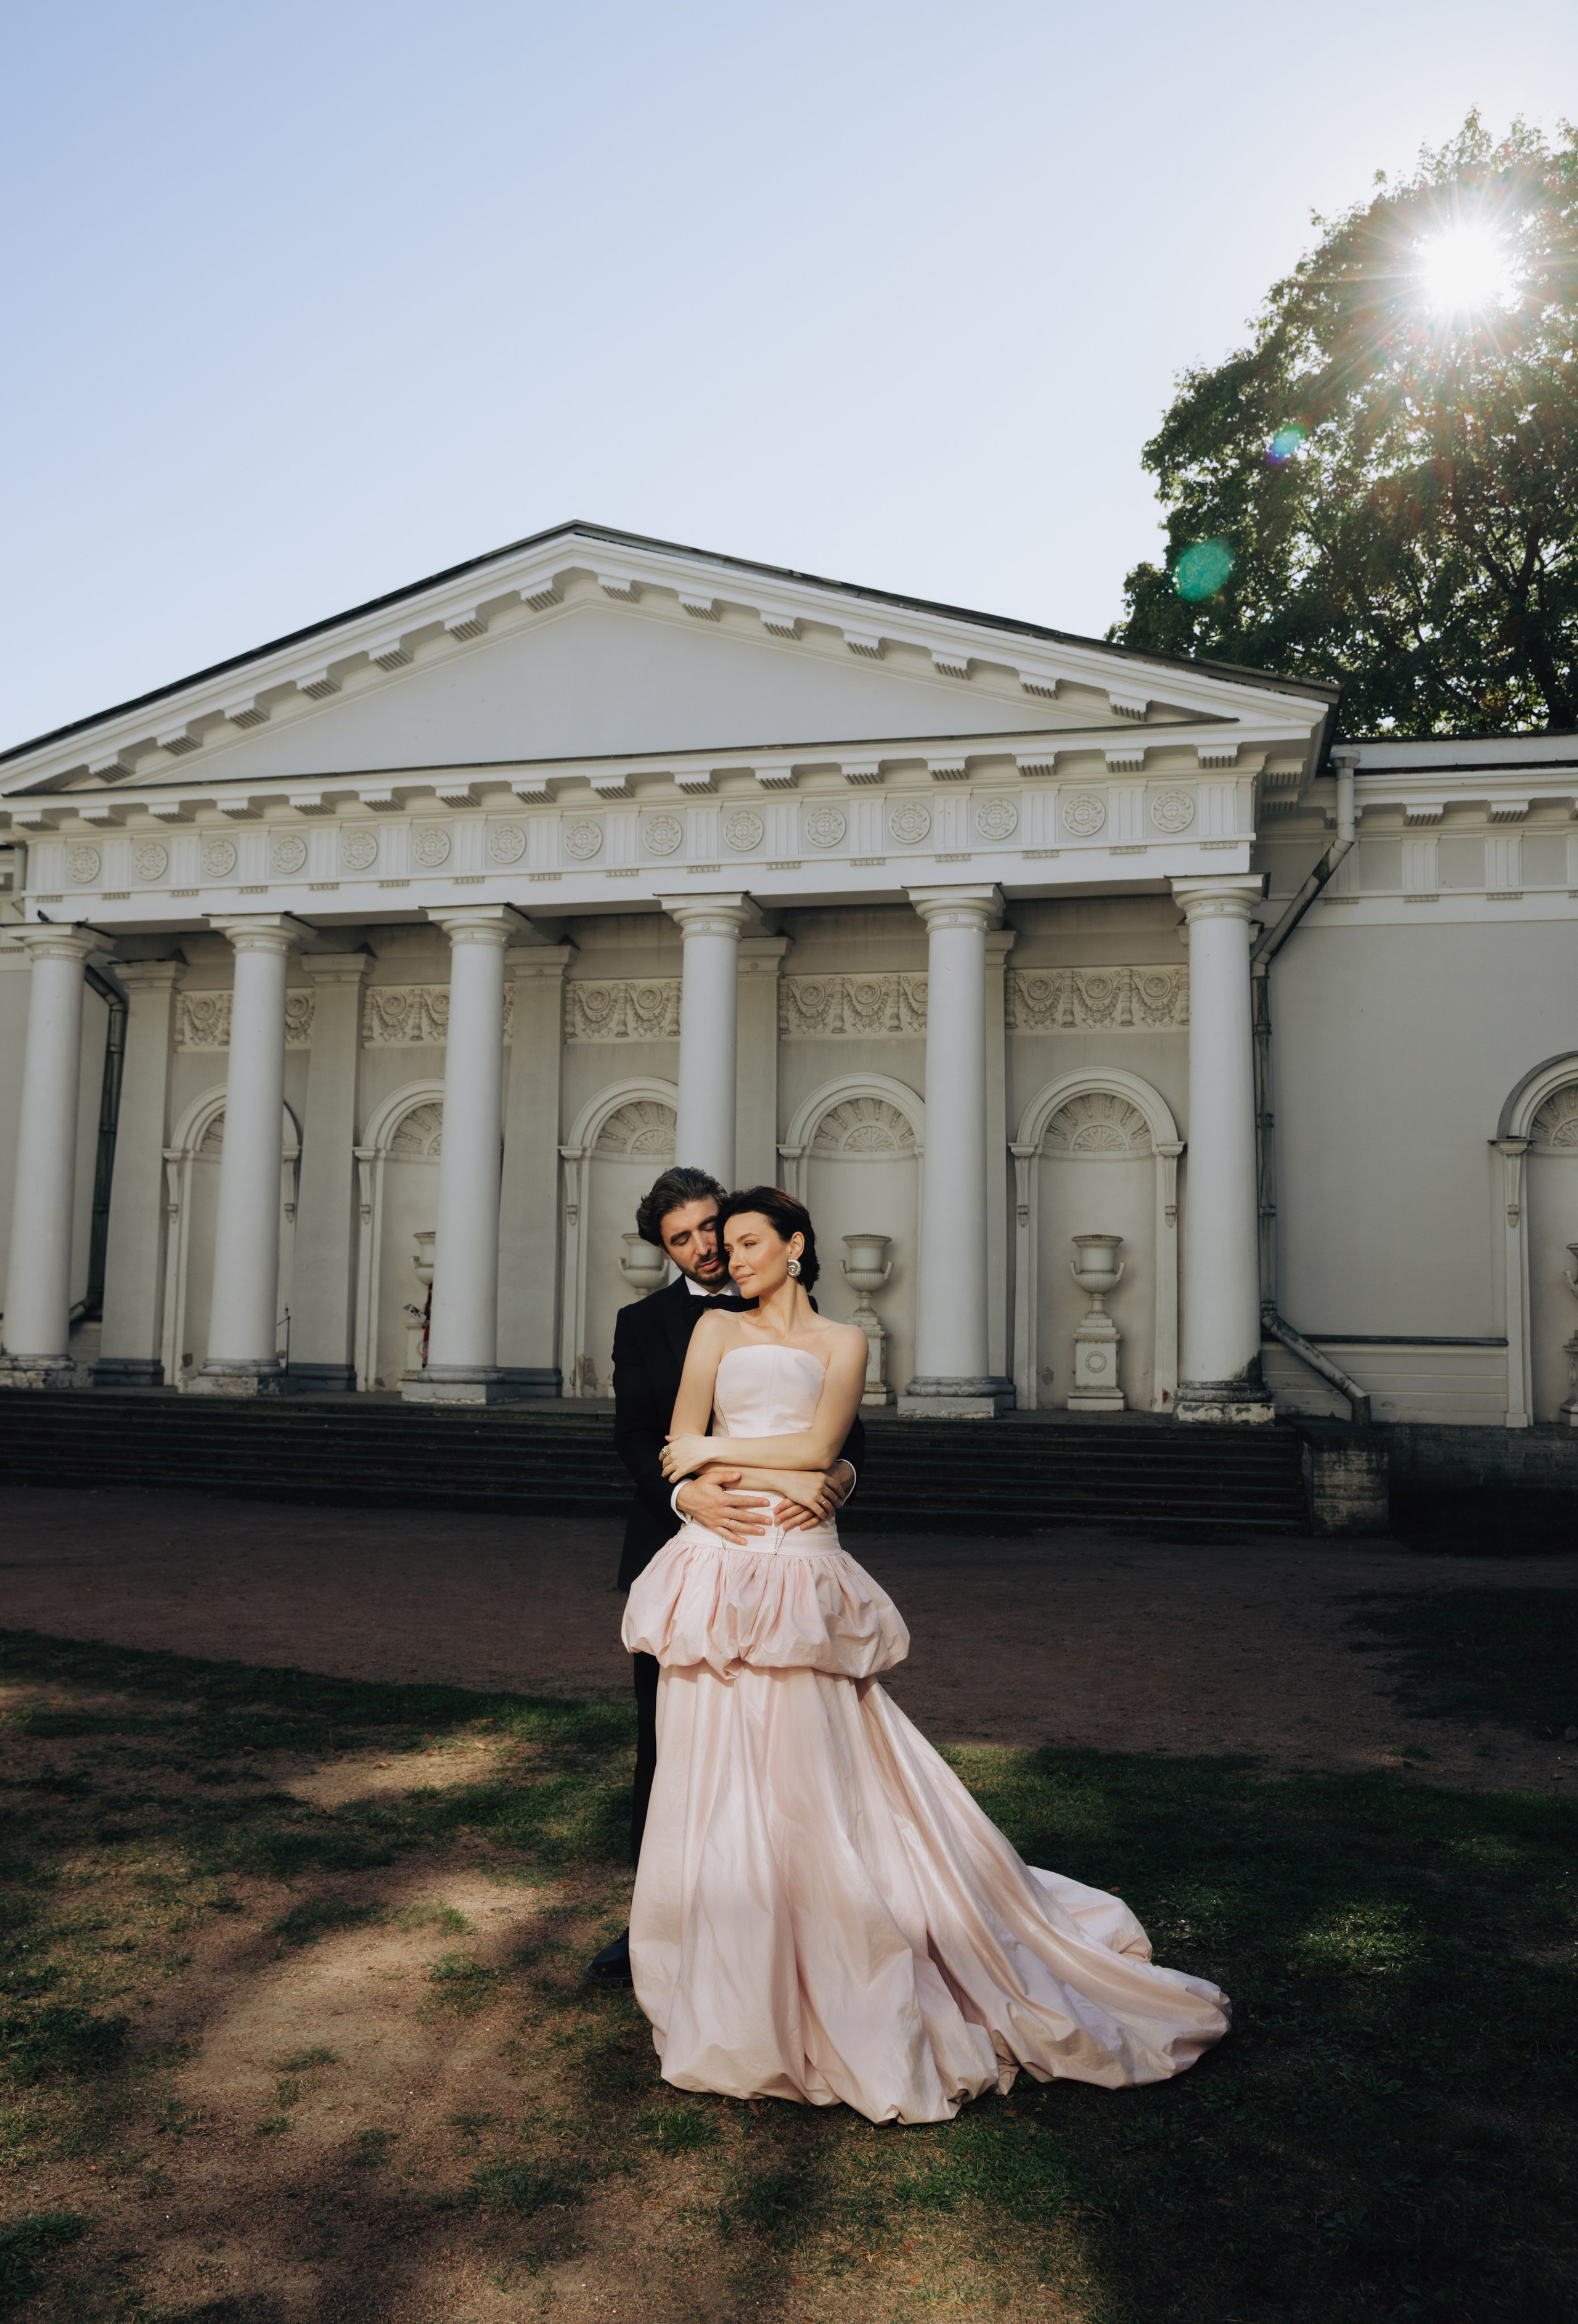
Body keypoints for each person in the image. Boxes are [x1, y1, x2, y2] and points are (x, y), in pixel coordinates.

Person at [621, 1186, 1230, 2126]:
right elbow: (670, 1452)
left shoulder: (845, 1342)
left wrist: (725, 1451)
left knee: (807, 1776)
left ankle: (832, 1964)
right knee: (709, 1775)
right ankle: (729, 1976)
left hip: (802, 1574)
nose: (728, 1257)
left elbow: (828, 1446)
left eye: (747, 1242)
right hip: (716, 1571)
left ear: (795, 1245)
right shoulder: (708, 1336)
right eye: (717, 1243)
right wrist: (704, 1467)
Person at [587, 1167, 865, 1987]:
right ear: (663, 1249)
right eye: (683, 1238)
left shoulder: (788, 1306)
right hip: (684, 1550)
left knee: (791, 1736)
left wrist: (841, 1477)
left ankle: (798, 1913)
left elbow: (847, 1433)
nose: (706, 1248)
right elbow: (639, 1437)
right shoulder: (644, 1324)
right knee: (670, 1738)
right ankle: (656, 1924)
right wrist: (687, 1494)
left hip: (789, 1547)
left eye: (713, 1228)